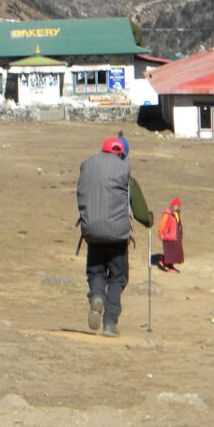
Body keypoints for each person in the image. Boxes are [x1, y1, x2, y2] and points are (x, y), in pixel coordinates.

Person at [76, 137, 132, 337]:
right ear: (120, 154)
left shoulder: (87, 166)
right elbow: (137, 204)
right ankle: (109, 323)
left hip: (92, 233)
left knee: (96, 272)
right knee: (118, 277)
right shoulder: (124, 169)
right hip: (118, 237)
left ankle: (97, 296)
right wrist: (147, 220)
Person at [158, 197, 184, 272]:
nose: (176, 207)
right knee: (170, 252)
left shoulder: (176, 213)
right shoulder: (167, 213)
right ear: (172, 205)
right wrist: (160, 233)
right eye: (175, 205)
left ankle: (170, 265)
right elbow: (162, 224)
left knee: (176, 252)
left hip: (175, 236)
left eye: (178, 206)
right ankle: (165, 263)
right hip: (168, 236)